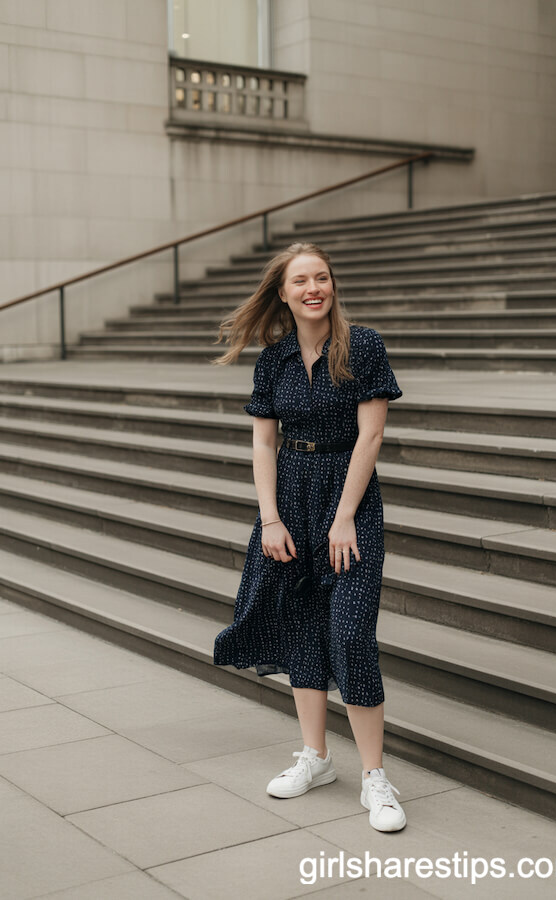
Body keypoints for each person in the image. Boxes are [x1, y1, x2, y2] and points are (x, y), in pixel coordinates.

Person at [212, 242, 406, 832]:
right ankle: (316, 758)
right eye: (301, 281)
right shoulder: (271, 362)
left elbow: (370, 437)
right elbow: (263, 443)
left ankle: (375, 776)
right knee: (301, 631)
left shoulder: (364, 347)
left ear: (332, 285)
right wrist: (269, 518)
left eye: (322, 277)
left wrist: (345, 515)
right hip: (289, 502)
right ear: (283, 293)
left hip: (348, 499)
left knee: (351, 636)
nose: (314, 288)